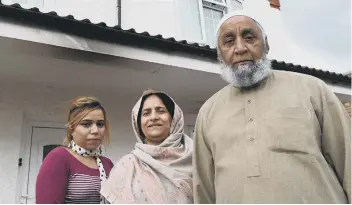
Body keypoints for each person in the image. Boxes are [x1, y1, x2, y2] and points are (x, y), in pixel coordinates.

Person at [193, 10, 351, 204]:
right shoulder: (208, 113)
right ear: (220, 55)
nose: (240, 48)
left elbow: (348, 160)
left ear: (266, 45)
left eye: (249, 37)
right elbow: (204, 191)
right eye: (229, 41)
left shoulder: (311, 89)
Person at [101, 89, 193, 204]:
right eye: (146, 113)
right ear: (138, 123)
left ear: (173, 118)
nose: (153, 117)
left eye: (161, 111)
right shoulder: (127, 167)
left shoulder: (196, 158)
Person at [36, 97, 114, 204]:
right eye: (86, 124)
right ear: (72, 129)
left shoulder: (107, 164)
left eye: (100, 124)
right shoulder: (59, 158)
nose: (95, 130)